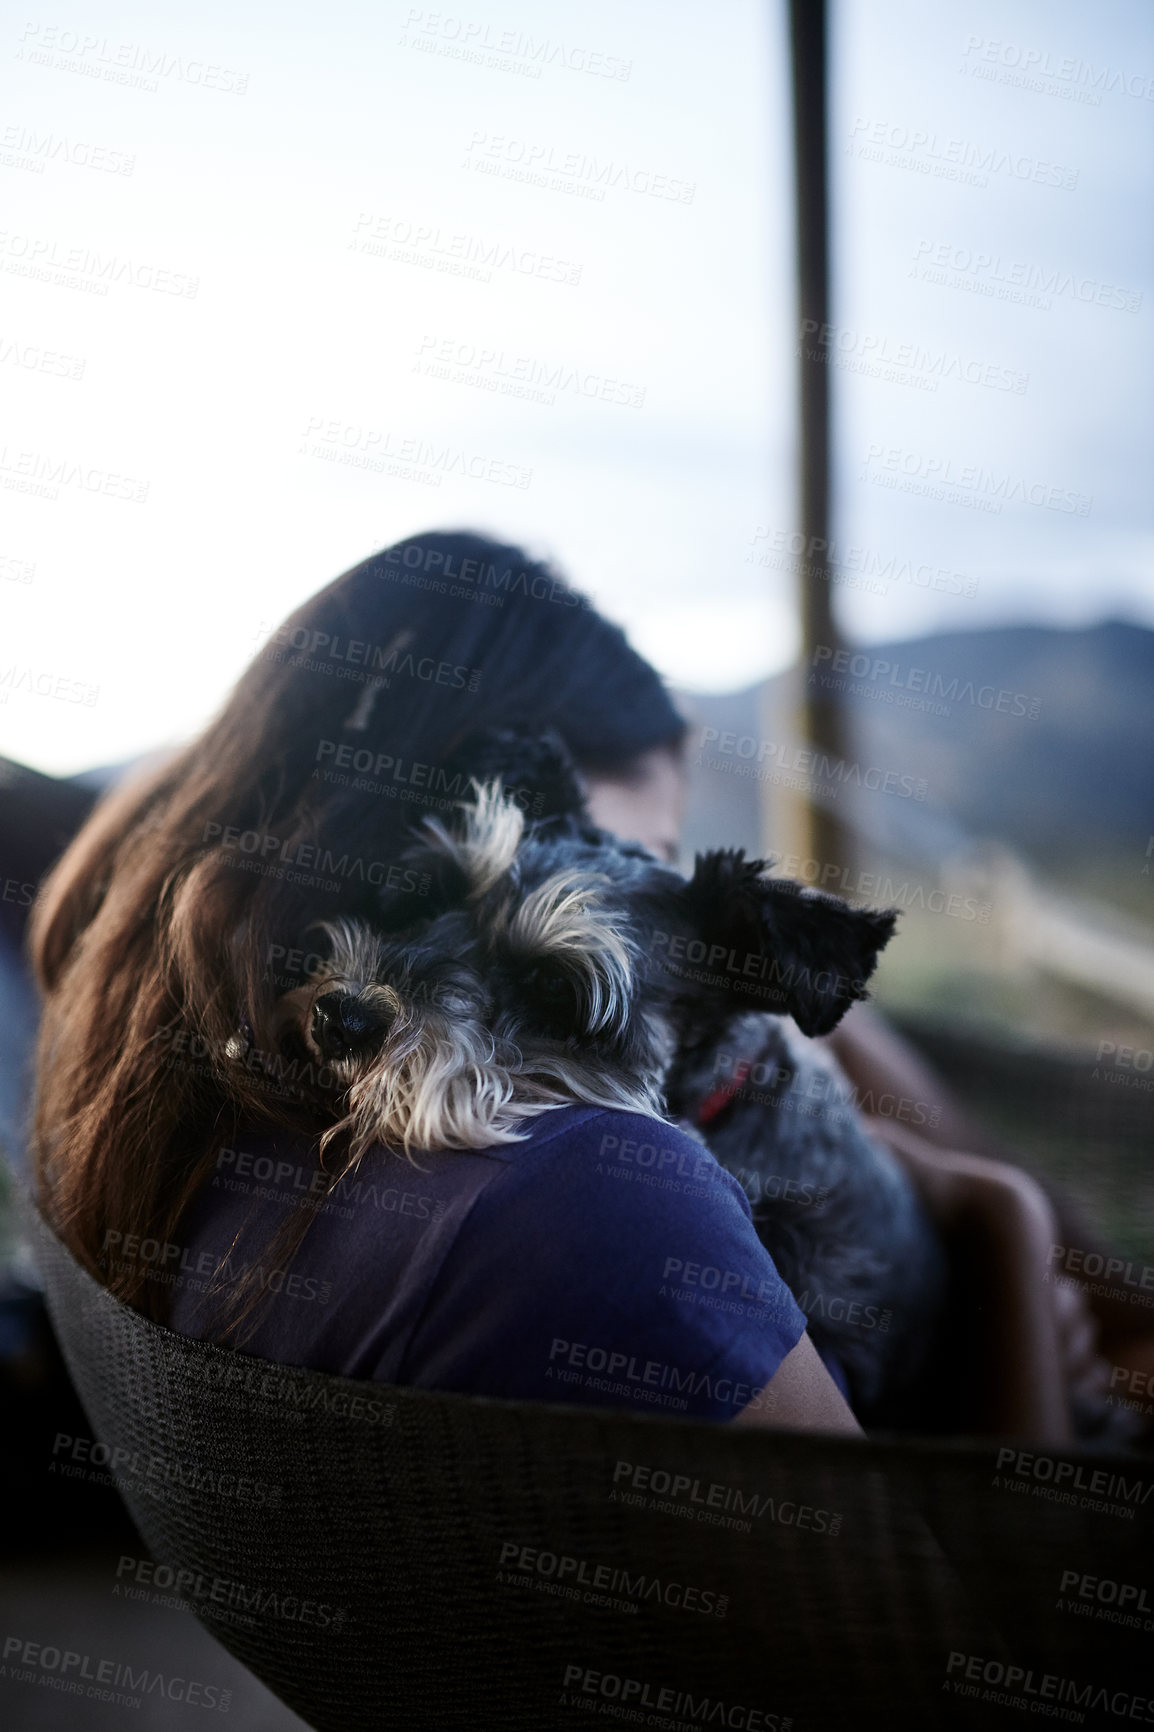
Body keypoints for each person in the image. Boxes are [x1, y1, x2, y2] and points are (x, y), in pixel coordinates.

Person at [28, 531, 862, 1440]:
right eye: (649, 847)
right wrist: (1004, 1221)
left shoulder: (133, 1059)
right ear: (506, 778)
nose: (623, 867)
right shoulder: (601, 1197)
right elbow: (912, 1576)